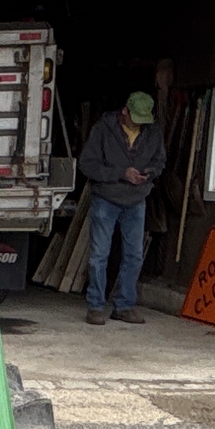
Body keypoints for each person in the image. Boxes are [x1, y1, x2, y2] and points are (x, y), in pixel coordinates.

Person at [76, 91, 167, 325]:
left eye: (143, 120)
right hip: (106, 198)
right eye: (135, 118)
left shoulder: (153, 131)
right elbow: (87, 164)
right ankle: (95, 306)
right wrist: (121, 173)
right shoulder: (104, 129)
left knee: (134, 256)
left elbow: (160, 161)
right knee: (99, 255)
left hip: (137, 199)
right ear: (124, 111)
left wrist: (150, 173)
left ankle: (124, 306)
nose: (139, 124)